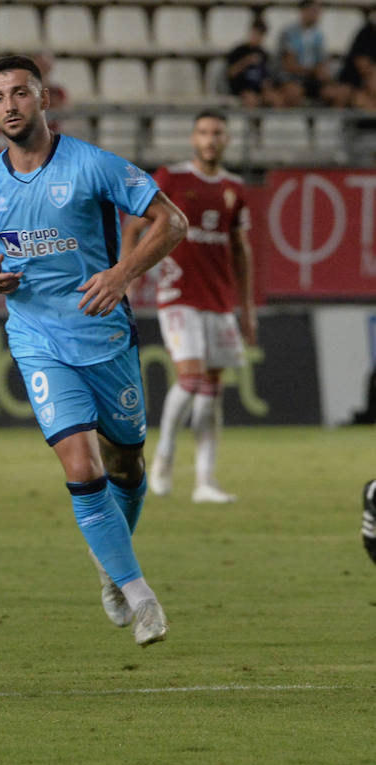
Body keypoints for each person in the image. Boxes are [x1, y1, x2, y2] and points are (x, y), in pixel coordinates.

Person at [0, 54, 187, 647]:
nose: (8, 105)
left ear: (44, 99)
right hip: (36, 337)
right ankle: (141, 595)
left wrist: (122, 274)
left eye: (19, 93)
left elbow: (172, 221)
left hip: (104, 334)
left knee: (125, 463)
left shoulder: (93, 165)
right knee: (81, 467)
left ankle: (113, 569)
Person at [121, 111, 255, 504]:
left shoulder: (235, 188)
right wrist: (130, 275)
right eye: (203, 133)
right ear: (193, 139)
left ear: (226, 139)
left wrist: (245, 309)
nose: (210, 139)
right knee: (191, 379)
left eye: (216, 133)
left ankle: (204, 481)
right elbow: (132, 226)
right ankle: (162, 460)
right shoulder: (172, 178)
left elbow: (240, 250)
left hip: (219, 300)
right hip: (178, 294)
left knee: (212, 391)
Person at [276, 0, 343, 106]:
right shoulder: (289, 33)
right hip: (293, 78)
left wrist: (323, 72)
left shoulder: (318, 35)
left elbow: (321, 61)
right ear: (304, 11)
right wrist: (314, 70)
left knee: (336, 93)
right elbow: (290, 65)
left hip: (312, 78)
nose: (317, 15)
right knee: (294, 93)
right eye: (314, 11)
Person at [225, 18, 285, 108]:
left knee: (276, 99)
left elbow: (267, 75)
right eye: (255, 33)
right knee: (251, 99)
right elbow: (231, 73)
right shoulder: (238, 51)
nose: (257, 37)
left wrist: (267, 85)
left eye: (260, 35)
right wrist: (246, 61)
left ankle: (275, 121)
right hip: (242, 87)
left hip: (260, 88)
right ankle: (251, 122)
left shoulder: (264, 54)